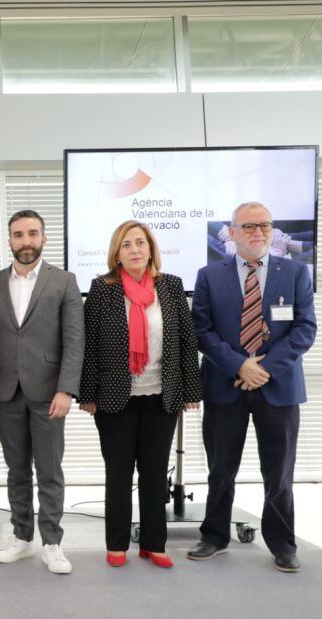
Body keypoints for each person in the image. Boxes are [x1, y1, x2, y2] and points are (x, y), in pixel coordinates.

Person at [190, 202, 316, 572]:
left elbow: (305, 329)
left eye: (265, 225)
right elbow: (202, 330)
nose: (258, 232)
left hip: (278, 387)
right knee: (221, 469)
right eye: (248, 226)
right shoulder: (209, 275)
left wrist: (264, 369)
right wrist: (239, 364)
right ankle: (214, 536)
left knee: (278, 472)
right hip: (225, 384)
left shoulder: (295, 273)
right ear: (231, 232)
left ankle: (282, 543)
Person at [79, 221, 201, 569]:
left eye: (140, 243)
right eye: (126, 244)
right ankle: (116, 543)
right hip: (114, 398)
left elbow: (186, 340)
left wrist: (191, 389)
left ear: (151, 249)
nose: (134, 250)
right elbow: (90, 346)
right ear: (116, 253)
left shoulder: (172, 287)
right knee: (118, 472)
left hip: (161, 394)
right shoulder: (102, 290)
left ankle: (154, 544)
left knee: (154, 471)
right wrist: (88, 394)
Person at [0, 209, 83, 575]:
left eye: (32, 234)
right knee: (16, 469)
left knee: (50, 468)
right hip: (5, 389)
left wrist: (66, 390)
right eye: (18, 234)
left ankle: (52, 543)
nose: (25, 241)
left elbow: (74, 341)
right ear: (9, 240)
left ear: (44, 238)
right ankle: (22, 537)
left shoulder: (64, 281)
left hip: (48, 392)